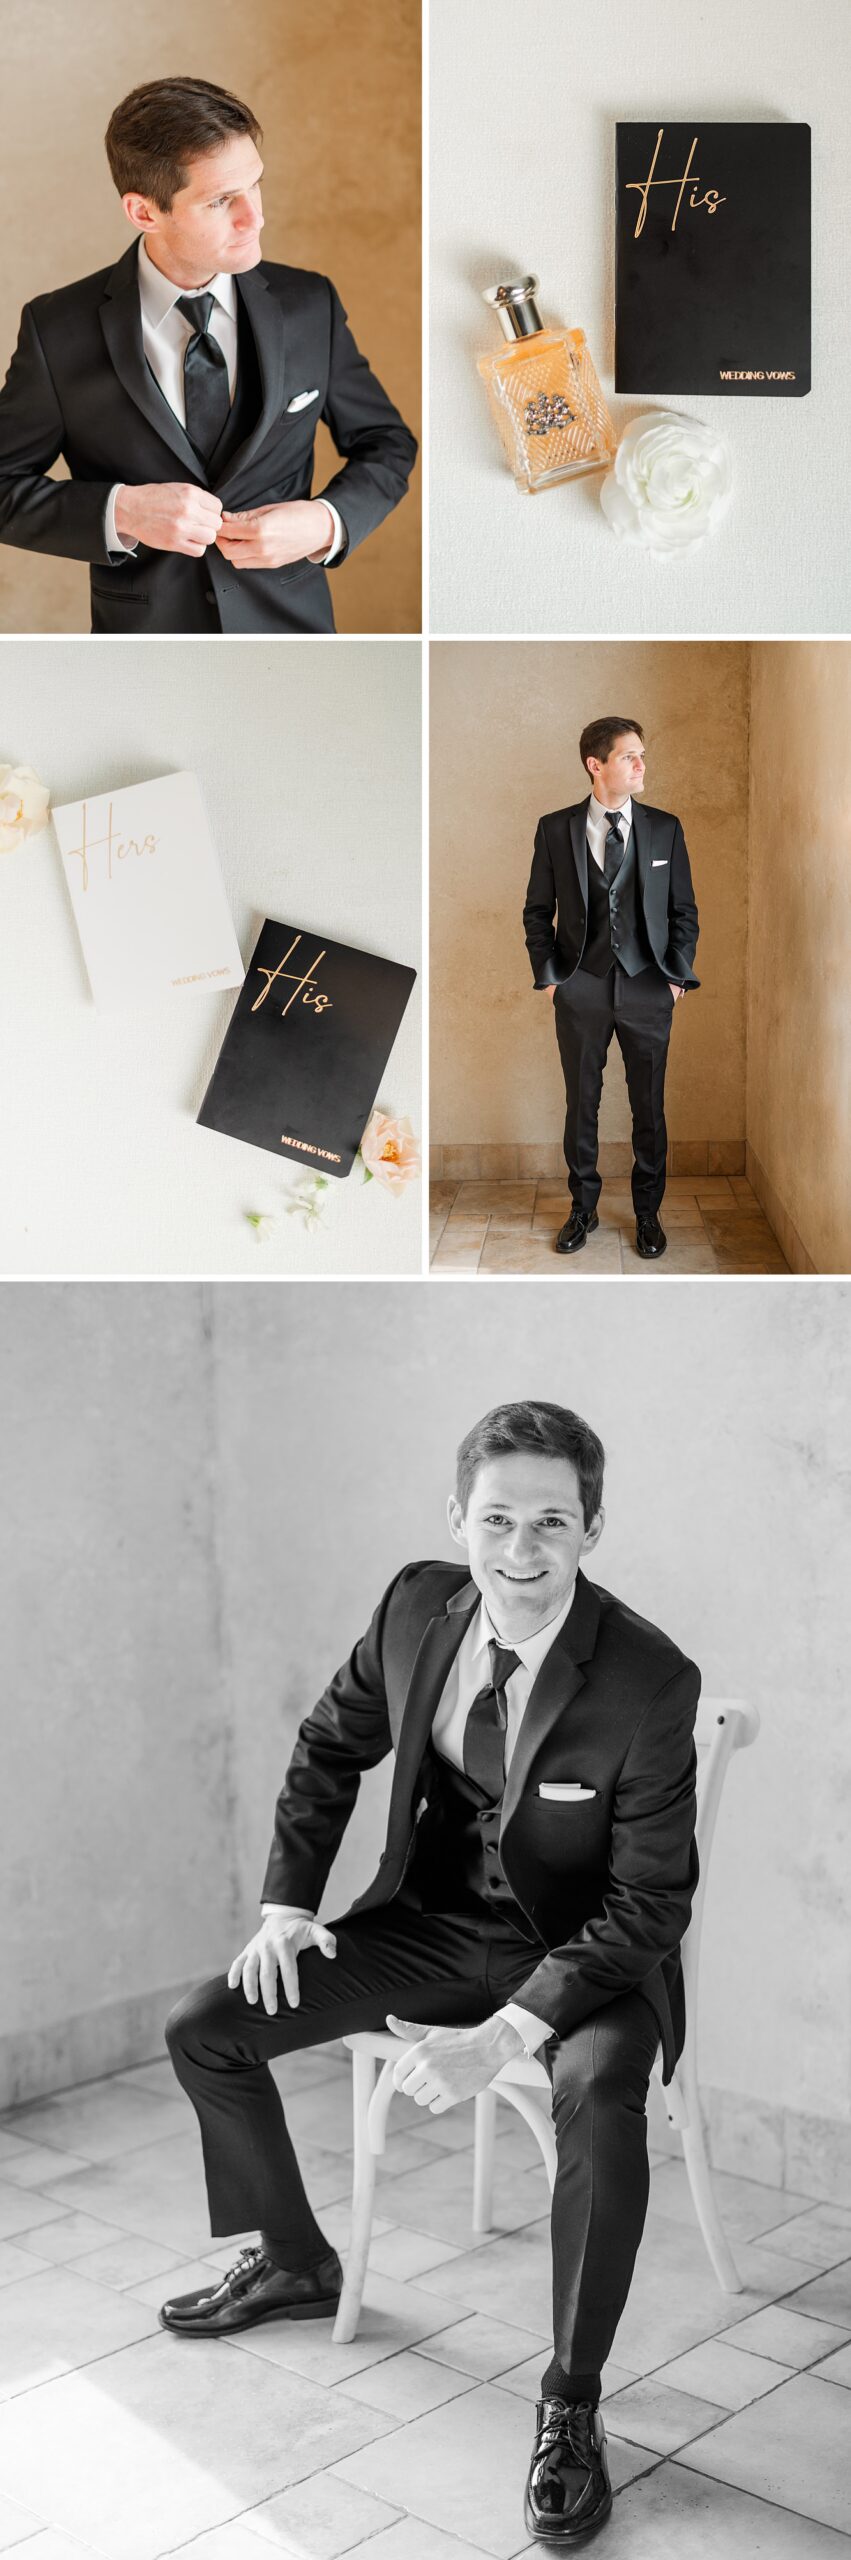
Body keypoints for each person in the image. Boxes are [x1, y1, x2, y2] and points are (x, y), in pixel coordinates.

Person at [163, 1398, 699, 2545]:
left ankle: (569, 2401)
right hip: (430, 1924)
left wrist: (506, 2033)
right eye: (496, 1518)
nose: (520, 1550)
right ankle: (294, 2259)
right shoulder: (415, 1607)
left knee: (598, 2101)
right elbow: (327, 1746)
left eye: (550, 1522)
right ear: (454, 1516)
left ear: (591, 1528)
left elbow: (649, 1901)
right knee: (207, 2021)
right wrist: (286, 1905)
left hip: (585, 1958)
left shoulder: (648, 1679)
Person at [0, 77, 417, 634]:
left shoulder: (309, 303)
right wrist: (119, 511)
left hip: (298, 646)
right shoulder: (57, 329)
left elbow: (387, 445)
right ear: (144, 212)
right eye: (222, 201)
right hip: (145, 657)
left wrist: (325, 520)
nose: (255, 217)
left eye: (255, 186)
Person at [523, 719, 700, 1261]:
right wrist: (554, 982)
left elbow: (683, 913)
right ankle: (583, 1209)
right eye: (629, 757)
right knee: (583, 1104)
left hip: (649, 987)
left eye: (642, 755)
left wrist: (673, 980)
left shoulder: (665, 828)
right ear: (595, 765)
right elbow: (536, 913)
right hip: (581, 987)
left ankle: (648, 1214)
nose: (642, 766)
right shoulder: (556, 829)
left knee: (649, 1105)